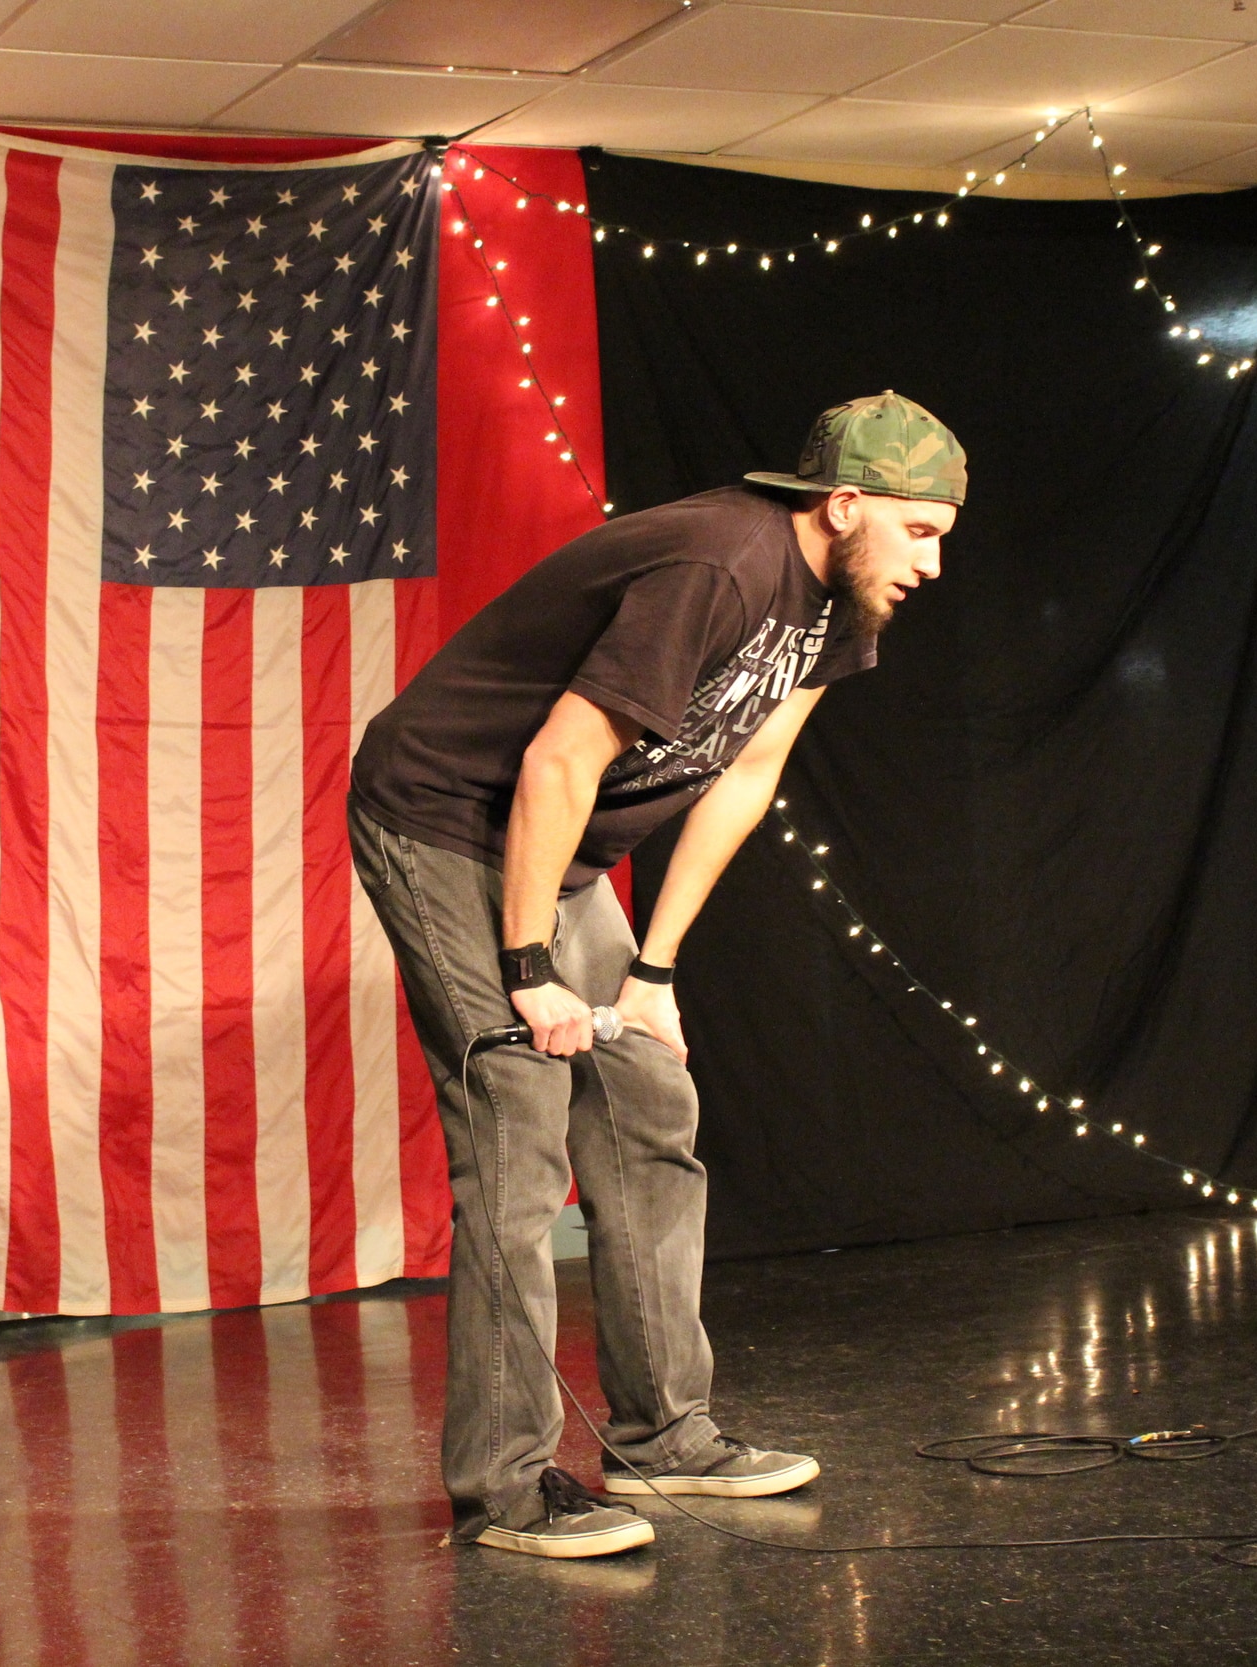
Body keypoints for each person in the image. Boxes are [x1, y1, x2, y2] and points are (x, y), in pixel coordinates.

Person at [347, 392, 966, 1558]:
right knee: (518, 1118)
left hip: (564, 849)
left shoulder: (838, 602)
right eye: (919, 529)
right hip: (442, 816)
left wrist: (654, 968)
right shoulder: (721, 563)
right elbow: (558, 755)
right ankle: (507, 1488)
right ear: (842, 506)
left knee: (646, 1099)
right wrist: (527, 967)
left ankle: (665, 1432)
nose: (934, 561)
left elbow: (745, 773)